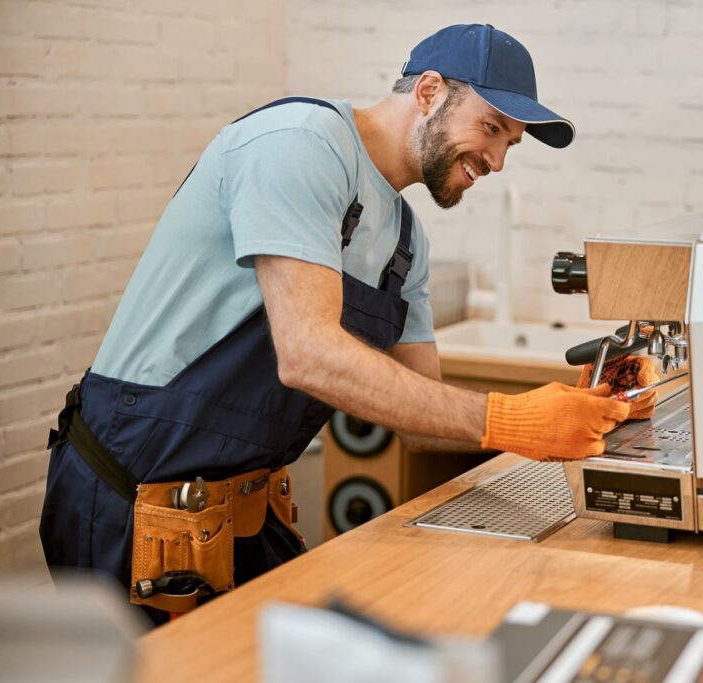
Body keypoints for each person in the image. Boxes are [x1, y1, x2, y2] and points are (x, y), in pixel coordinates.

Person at [40, 24, 636, 623]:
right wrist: (509, 420)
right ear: (428, 92)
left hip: (236, 514)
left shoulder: (407, 245)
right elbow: (308, 354)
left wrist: (555, 411)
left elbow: (426, 423)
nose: (499, 161)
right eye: (491, 128)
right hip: (132, 495)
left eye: (513, 143)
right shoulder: (300, 145)